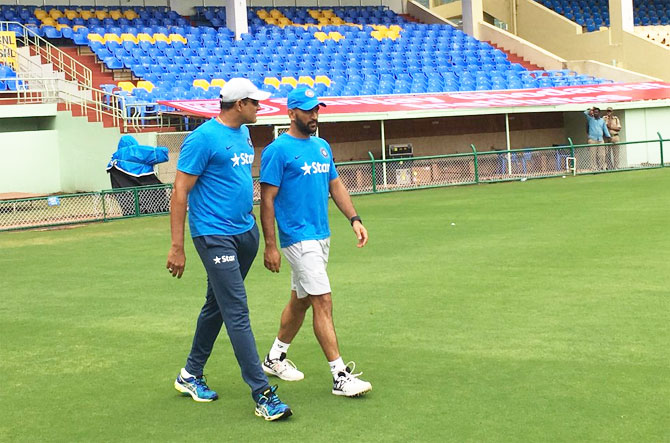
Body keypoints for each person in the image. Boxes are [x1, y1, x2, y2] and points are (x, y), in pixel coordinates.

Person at [166, 78, 292, 421]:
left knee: (217, 305)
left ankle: (190, 374)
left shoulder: (244, 134)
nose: (260, 107)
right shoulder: (202, 139)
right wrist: (178, 247)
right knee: (236, 310)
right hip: (213, 236)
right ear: (239, 105)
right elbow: (180, 193)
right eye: (255, 103)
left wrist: (259, 236)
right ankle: (262, 393)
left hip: (244, 232)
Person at [258, 87, 372, 397]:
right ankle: (340, 376)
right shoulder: (277, 151)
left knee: (302, 300)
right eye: (308, 110)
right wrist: (270, 245)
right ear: (292, 113)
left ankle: (274, 357)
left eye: (317, 109)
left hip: (321, 236)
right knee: (323, 300)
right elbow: (267, 200)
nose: (314, 115)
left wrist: (354, 218)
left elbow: (335, 184)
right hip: (298, 237)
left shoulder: (321, 146)